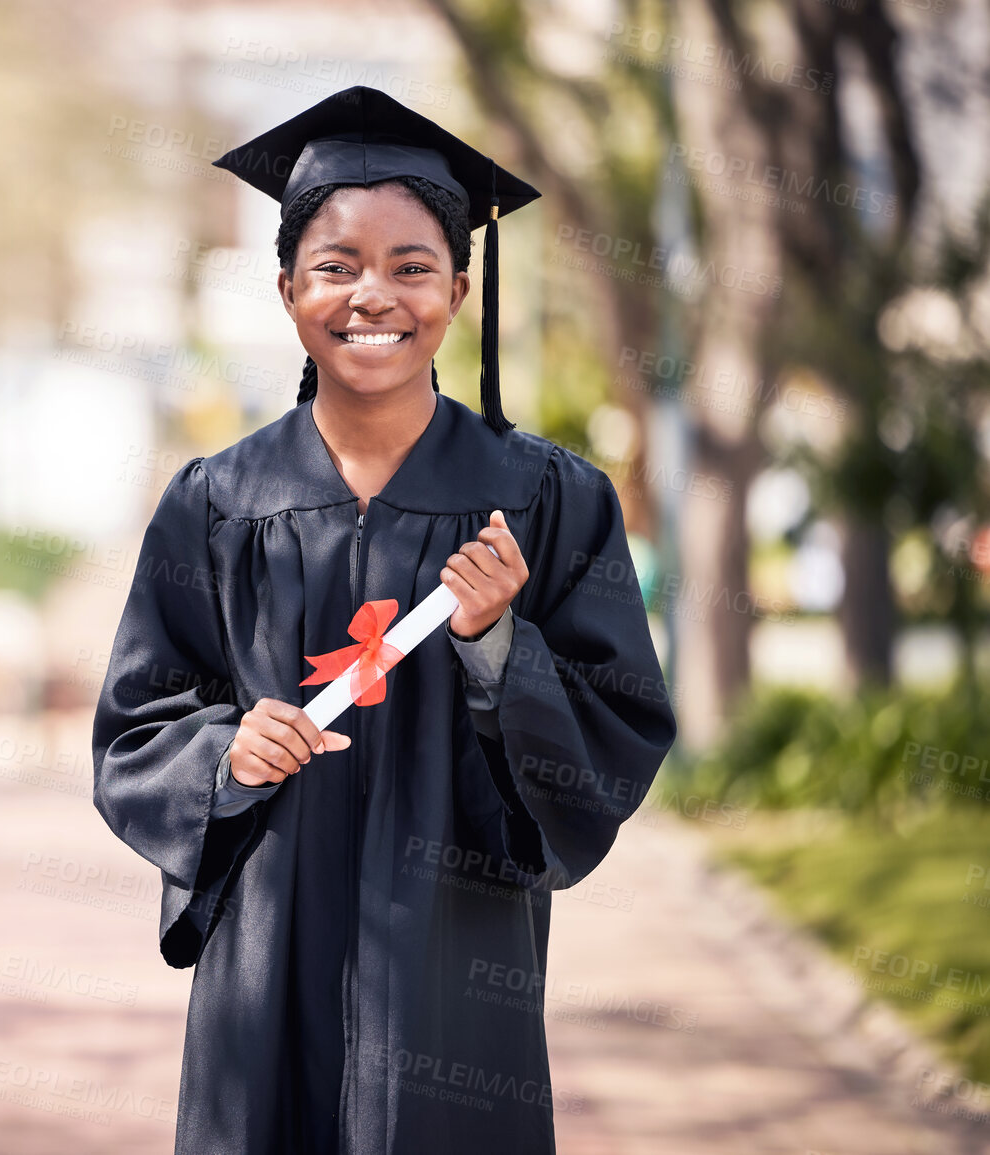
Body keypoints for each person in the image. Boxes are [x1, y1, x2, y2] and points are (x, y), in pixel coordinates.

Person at [90, 86, 679, 1154]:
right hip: (266, 968)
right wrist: (225, 753)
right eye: (336, 265)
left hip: (455, 970)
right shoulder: (216, 503)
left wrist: (501, 646)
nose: (375, 296)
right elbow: (137, 725)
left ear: (459, 286)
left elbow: (619, 726)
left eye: (412, 266)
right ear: (285, 289)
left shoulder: (548, 501)